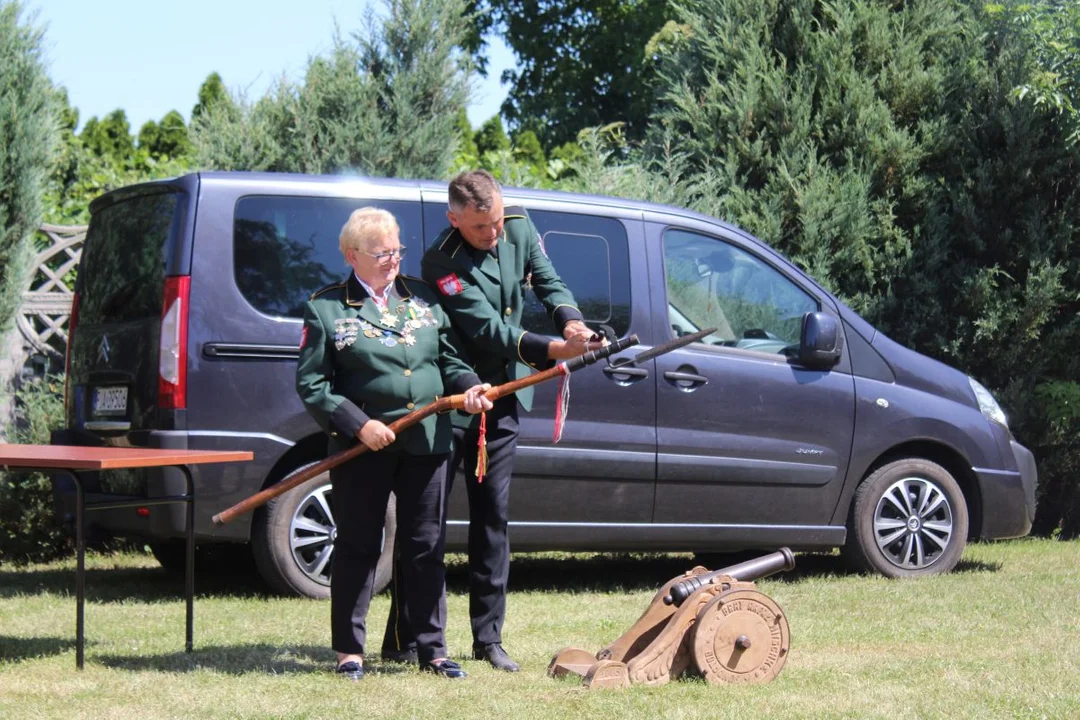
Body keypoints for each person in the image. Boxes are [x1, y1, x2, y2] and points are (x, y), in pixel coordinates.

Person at [381, 170, 603, 672]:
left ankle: (488, 639)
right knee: (427, 525)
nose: (494, 233)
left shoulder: (518, 227)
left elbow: (548, 280)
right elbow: (486, 328)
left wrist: (570, 320)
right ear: (453, 219)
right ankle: (406, 634)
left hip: (503, 400)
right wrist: (553, 349)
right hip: (453, 399)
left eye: (498, 220)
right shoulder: (441, 258)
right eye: (482, 226)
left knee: (493, 519)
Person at [296, 207, 493, 681]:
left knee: (425, 546)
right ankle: (350, 651)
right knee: (359, 546)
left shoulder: (423, 300)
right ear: (352, 255)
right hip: (363, 448)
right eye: (380, 252)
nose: (391, 260)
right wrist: (359, 424)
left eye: (396, 250)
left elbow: (448, 359)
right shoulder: (326, 307)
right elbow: (313, 384)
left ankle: (433, 649)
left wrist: (468, 388)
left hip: (428, 442)